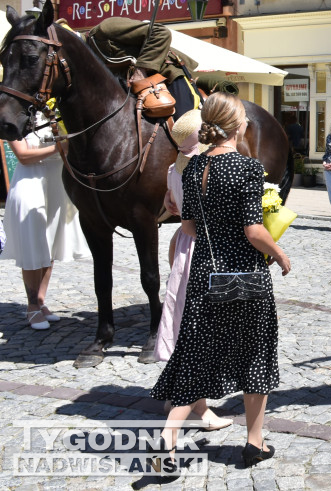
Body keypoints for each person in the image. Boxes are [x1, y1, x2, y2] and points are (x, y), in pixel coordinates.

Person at [150, 93, 291, 471]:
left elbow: (190, 227)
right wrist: (278, 253)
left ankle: (168, 437)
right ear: (237, 125)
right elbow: (253, 230)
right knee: (255, 354)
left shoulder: (192, 169)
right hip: (244, 273)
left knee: (195, 355)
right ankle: (254, 442)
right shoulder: (246, 168)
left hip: (204, 273)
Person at [153, 109, 232, 431]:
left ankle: (178, 394)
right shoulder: (204, 169)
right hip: (204, 247)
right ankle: (196, 407)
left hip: (183, 244)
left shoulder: (175, 169)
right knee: (199, 327)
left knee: (182, 317)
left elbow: (172, 205)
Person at [1, 111, 90, 330]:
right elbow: (22, 155)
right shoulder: (12, 117)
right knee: (33, 246)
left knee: (49, 245)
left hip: (55, 183)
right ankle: (32, 306)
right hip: (29, 184)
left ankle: (41, 301)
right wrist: (61, 148)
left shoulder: (54, 114)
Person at [87, 17, 201, 120]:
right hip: (134, 92)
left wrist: (140, 71)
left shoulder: (104, 29)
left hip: (166, 75)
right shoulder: (87, 67)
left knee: (185, 125)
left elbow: (161, 33)